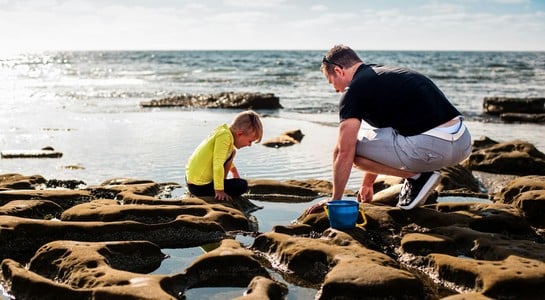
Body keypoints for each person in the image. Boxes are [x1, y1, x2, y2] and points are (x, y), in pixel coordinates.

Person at [308, 45, 471, 213]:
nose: (335, 89)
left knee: (345, 148)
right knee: (370, 138)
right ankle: (420, 178)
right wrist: (368, 183)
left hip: (433, 148)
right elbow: (381, 139)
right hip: (463, 143)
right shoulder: (385, 75)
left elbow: (344, 151)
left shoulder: (354, 91)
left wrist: (335, 200)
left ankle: (418, 177)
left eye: (331, 81)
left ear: (339, 70)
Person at [186, 110, 263, 201]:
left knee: (232, 152)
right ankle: (219, 185)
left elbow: (221, 156)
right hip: (199, 186)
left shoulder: (223, 132)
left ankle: (220, 183)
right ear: (240, 134)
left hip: (191, 180)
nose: (250, 145)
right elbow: (218, 164)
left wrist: (234, 171)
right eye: (250, 141)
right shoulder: (225, 137)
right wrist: (219, 191)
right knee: (242, 185)